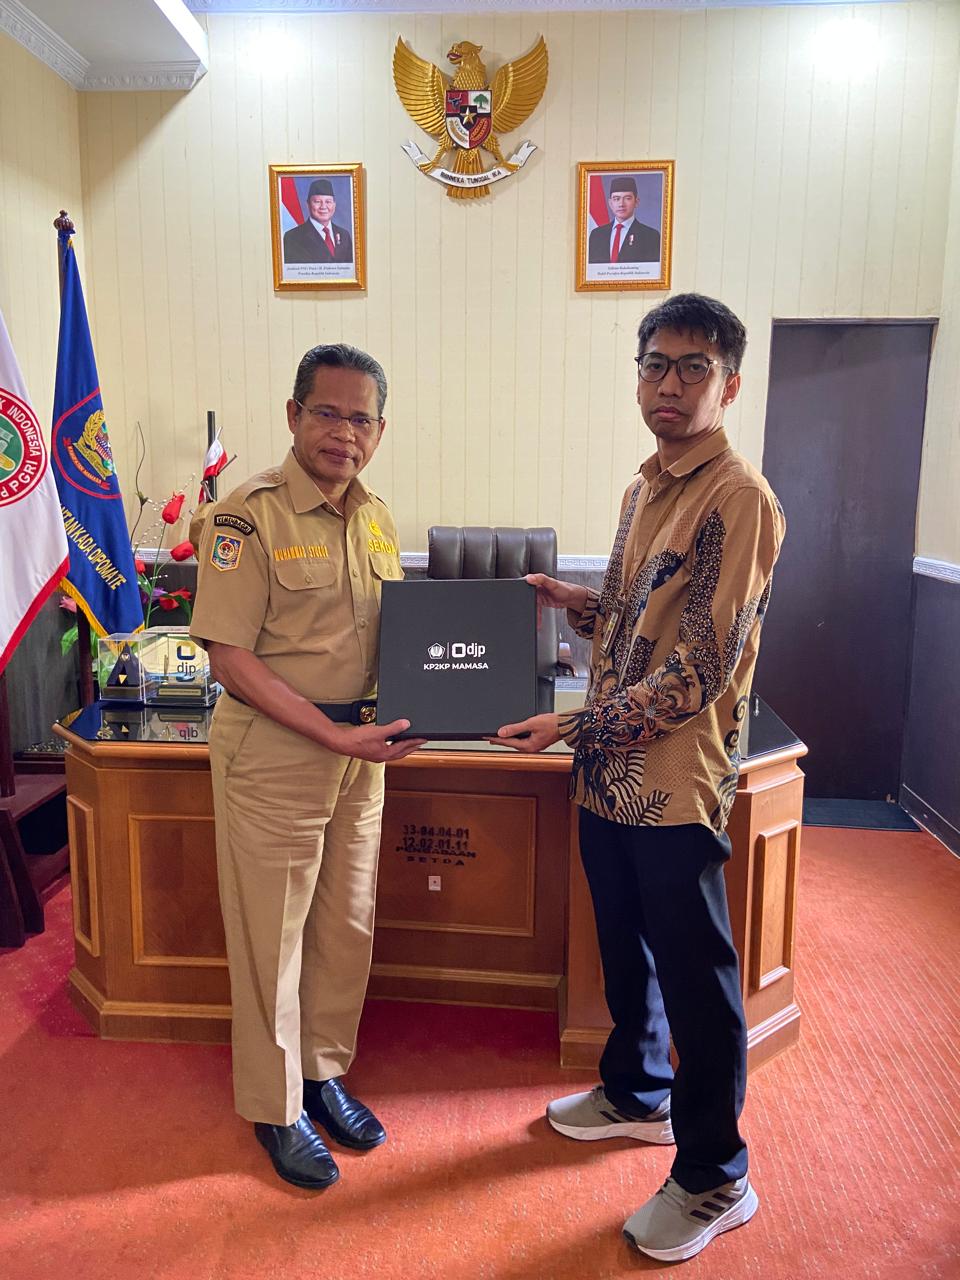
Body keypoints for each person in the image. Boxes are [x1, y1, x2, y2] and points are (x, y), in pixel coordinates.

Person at [495, 294, 785, 1262]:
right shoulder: (643, 489)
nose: (670, 382)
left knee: (698, 978)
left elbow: (699, 670)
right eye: (655, 363)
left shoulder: (740, 498)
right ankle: (636, 1093)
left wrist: (573, 724)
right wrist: (577, 604)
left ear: (729, 385)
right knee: (625, 946)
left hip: (673, 779)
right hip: (605, 775)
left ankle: (715, 1174)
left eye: (694, 366)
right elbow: (635, 620)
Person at [189, 343, 423, 1190]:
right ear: (294, 415)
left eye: (361, 419)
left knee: (343, 926)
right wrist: (331, 735)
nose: (344, 432)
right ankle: (276, 1104)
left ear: (380, 431)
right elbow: (229, 658)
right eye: (327, 412)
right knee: (272, 935)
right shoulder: (246, 517)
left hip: (362, 756)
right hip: (278, 752)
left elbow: (399, 637)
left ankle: (322, 1074)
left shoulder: (378, 518)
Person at [588, 175, 661, 264]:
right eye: (616, 199)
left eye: (627, 198)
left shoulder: (651, 236)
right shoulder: (596, 235)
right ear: (610, 203)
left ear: (636, 202)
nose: (621, 204)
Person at [282, 178, 354, 264]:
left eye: (328, 202)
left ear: (334, 205)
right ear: (308, 204)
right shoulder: (293, 237)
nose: (323, 207)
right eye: (317, 202)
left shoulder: (344, 235)